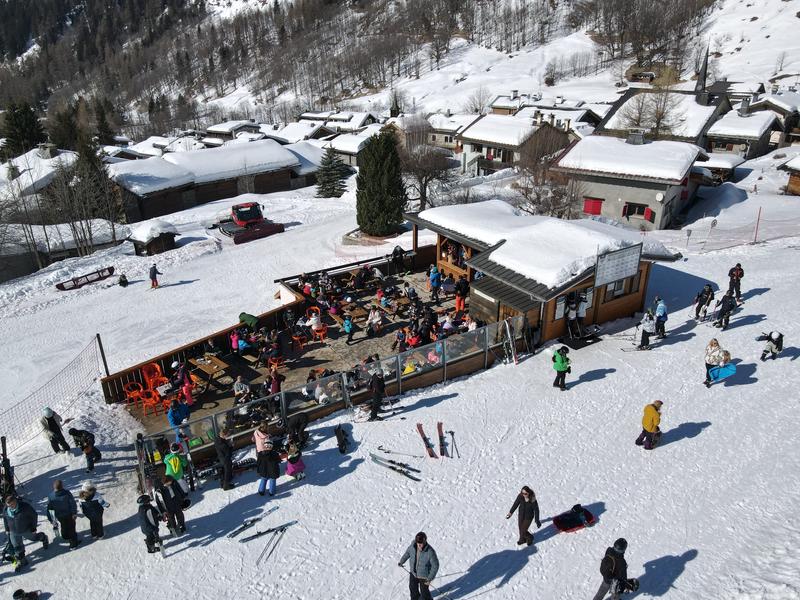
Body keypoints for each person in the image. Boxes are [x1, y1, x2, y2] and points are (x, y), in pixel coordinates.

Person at [3, 495, 48, 570]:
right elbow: (5, 519)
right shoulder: (6, 509)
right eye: (9, 506)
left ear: (15, 501)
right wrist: (7, 529)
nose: (10, 507)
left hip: (25, 529)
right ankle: (22, 560)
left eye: (12, 505)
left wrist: (33, 527)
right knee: (17, 546)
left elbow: (34, 515)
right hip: (13, 531)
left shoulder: (25, 507)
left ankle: (43, 537)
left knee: (34, 538)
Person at [398, 532, 439, 600]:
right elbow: (407, 553)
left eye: (421, 544)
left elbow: (435, 565)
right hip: (413, 573)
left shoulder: (430, 551)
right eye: (418, 543)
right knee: (413, 589)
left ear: (425, 541)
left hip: (424, 576)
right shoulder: (412, 546)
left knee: (424, 592)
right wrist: (401, 561)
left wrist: (429, 578)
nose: (419, 545)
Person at [47, 480, 81, 550]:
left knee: (64, 525)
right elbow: (72, 503)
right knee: (71, 528)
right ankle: (73, 544)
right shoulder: (67, 493)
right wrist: (74, 513)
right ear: (62, 486)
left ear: (54, 487)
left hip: (59, 516)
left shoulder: (51, 496)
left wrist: (52, 520)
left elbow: (50, 509)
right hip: (69, 514)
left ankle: (65, 536)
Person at [255, 428, 281, 497]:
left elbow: (258, 463)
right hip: (272, 471)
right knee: (272, 481)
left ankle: (261, 491)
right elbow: (279, 460)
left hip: (263, 471)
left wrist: (258, 470)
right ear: (271, 447)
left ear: (264, 446)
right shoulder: (275, 454)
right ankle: (271, 492)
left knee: (263, 480)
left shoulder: (260, 454)